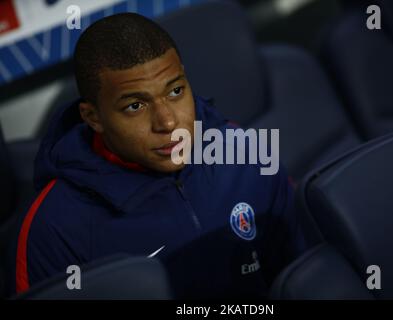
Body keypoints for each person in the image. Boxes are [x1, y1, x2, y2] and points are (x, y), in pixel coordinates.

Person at [7, 13, 306, 299]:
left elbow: (302, 276)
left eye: (175, 91)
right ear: (93, 117)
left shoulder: (244, 153)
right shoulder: (55, 228)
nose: (167, 122)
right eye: (135, 106)